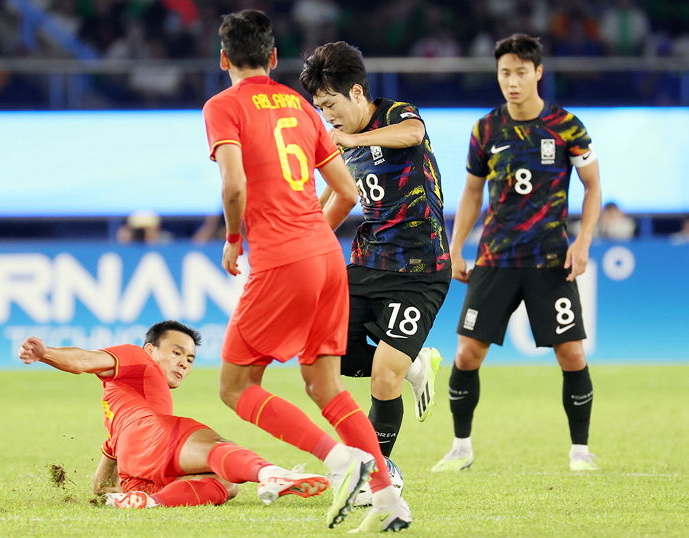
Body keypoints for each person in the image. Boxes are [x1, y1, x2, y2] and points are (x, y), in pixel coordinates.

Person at [202, 10, 410, 532]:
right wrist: (309, 235)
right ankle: (388, 500)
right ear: (273, 58)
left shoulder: (223, 107)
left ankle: (342, 461)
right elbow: (347, 191)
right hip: (326, 256)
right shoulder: (298, 104)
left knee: (235, 386)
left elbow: (233, 186)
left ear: (224, 58)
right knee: (325, 386)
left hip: (280, 258)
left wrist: (232, 240)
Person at [432, 33, 602, 474]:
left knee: (572, 355)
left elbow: (593, 188)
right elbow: (471, 193)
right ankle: (460, 448)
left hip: (551, 259)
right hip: (496, 258)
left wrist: (582, 241)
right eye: (505, 73)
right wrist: (455, 247)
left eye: (520, 73)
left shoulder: (567, 126)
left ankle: (580, 452)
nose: (512, 81)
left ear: (538, 73)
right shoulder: (485, 129)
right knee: (467, 354)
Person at [299, 41, 451, 503]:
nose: (328, 117)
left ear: (358, 92)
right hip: (366, 265)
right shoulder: (343, 148)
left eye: (330, 106)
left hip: (420, 269)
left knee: (384, 375)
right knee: (320, 354)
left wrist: (352, 140)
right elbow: (337, 200)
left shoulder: (395, 115)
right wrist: (302, 245)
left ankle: (378, 469)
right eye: (320, 109)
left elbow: (412, 134)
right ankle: (414, 362)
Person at [18, 321, 330, 509]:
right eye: (176, 352)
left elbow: (102, 483)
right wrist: (46, 354)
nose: (184, 363)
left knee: (224, 483)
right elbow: (85, 359)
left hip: (136, 470)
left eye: (190, 358)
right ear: (150, 349)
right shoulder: (136, 358)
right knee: (214, 446)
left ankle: (151, 502)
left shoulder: (126, 403)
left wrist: (108, 490)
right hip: (150, 438)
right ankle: (269, 474)